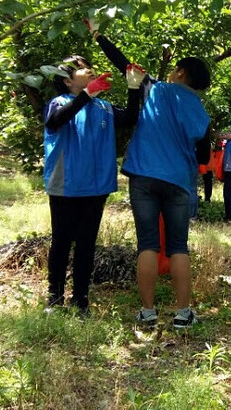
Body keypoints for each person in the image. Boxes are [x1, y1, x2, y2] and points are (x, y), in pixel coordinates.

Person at [87, 20, 211, 329]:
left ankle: (147, 313)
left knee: (148, 245)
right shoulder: (200, 110)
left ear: (180, 72)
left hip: (144, 176)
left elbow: (122, 63)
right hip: (179, 181)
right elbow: (205, 155)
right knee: (179, 246)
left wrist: (98, 34)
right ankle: (183, 314)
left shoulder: (154, 88)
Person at [43, 55, 141, 316]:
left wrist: (133, 87)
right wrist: (86, 94)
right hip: (65, 185)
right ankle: (54, 297)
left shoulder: (103, 108)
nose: (89, 69)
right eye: (81, 69)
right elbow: (55, 121)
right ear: (67, 81)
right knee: (62, 240)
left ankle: (81, 299)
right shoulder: (58, 102)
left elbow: (130, 118)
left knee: (87, 243)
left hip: (96, 187)